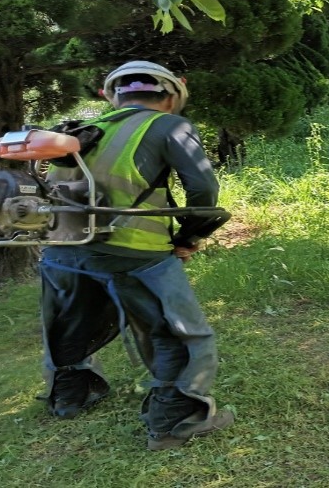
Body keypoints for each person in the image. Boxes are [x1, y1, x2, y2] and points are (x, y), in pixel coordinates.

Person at [38, 60, 232, 450]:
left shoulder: (78, 131)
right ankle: (174, 420)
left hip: (62, 250)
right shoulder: (169, 125)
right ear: (172, 95)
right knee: (175, 332)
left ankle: (69, 398)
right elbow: (204, 195)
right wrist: (188, 238)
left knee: (71, 324)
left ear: (114, 96)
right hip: (134, 254)